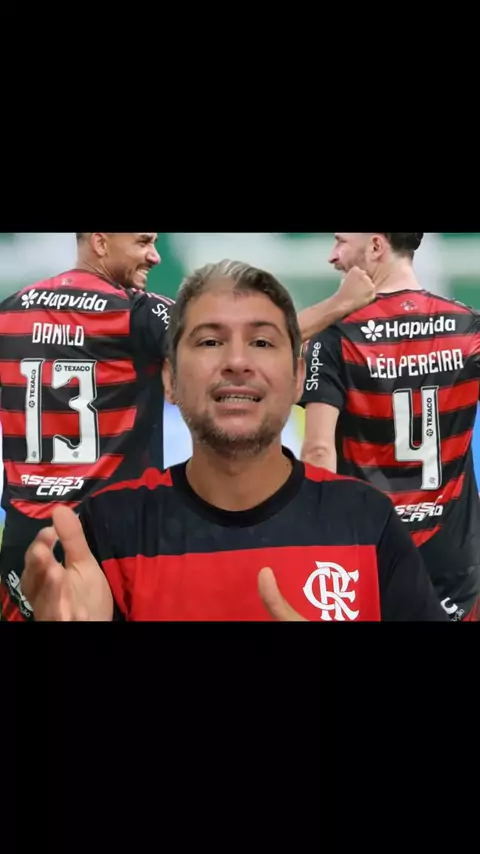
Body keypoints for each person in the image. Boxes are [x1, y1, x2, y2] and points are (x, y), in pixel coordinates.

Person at [20, 259, 447, 621]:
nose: (237, 361)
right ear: (170, 379)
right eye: (210, 341)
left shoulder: (368, 521)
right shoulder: (109, 529)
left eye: (262, 342)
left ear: (298, 378)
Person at [300, 232, 480, 622]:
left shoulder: (335, 336)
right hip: (453, 556)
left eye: (341, 242)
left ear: (376, 246)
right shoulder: (469, 325)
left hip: (370, 548)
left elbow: (317, 451)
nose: (333, 256)